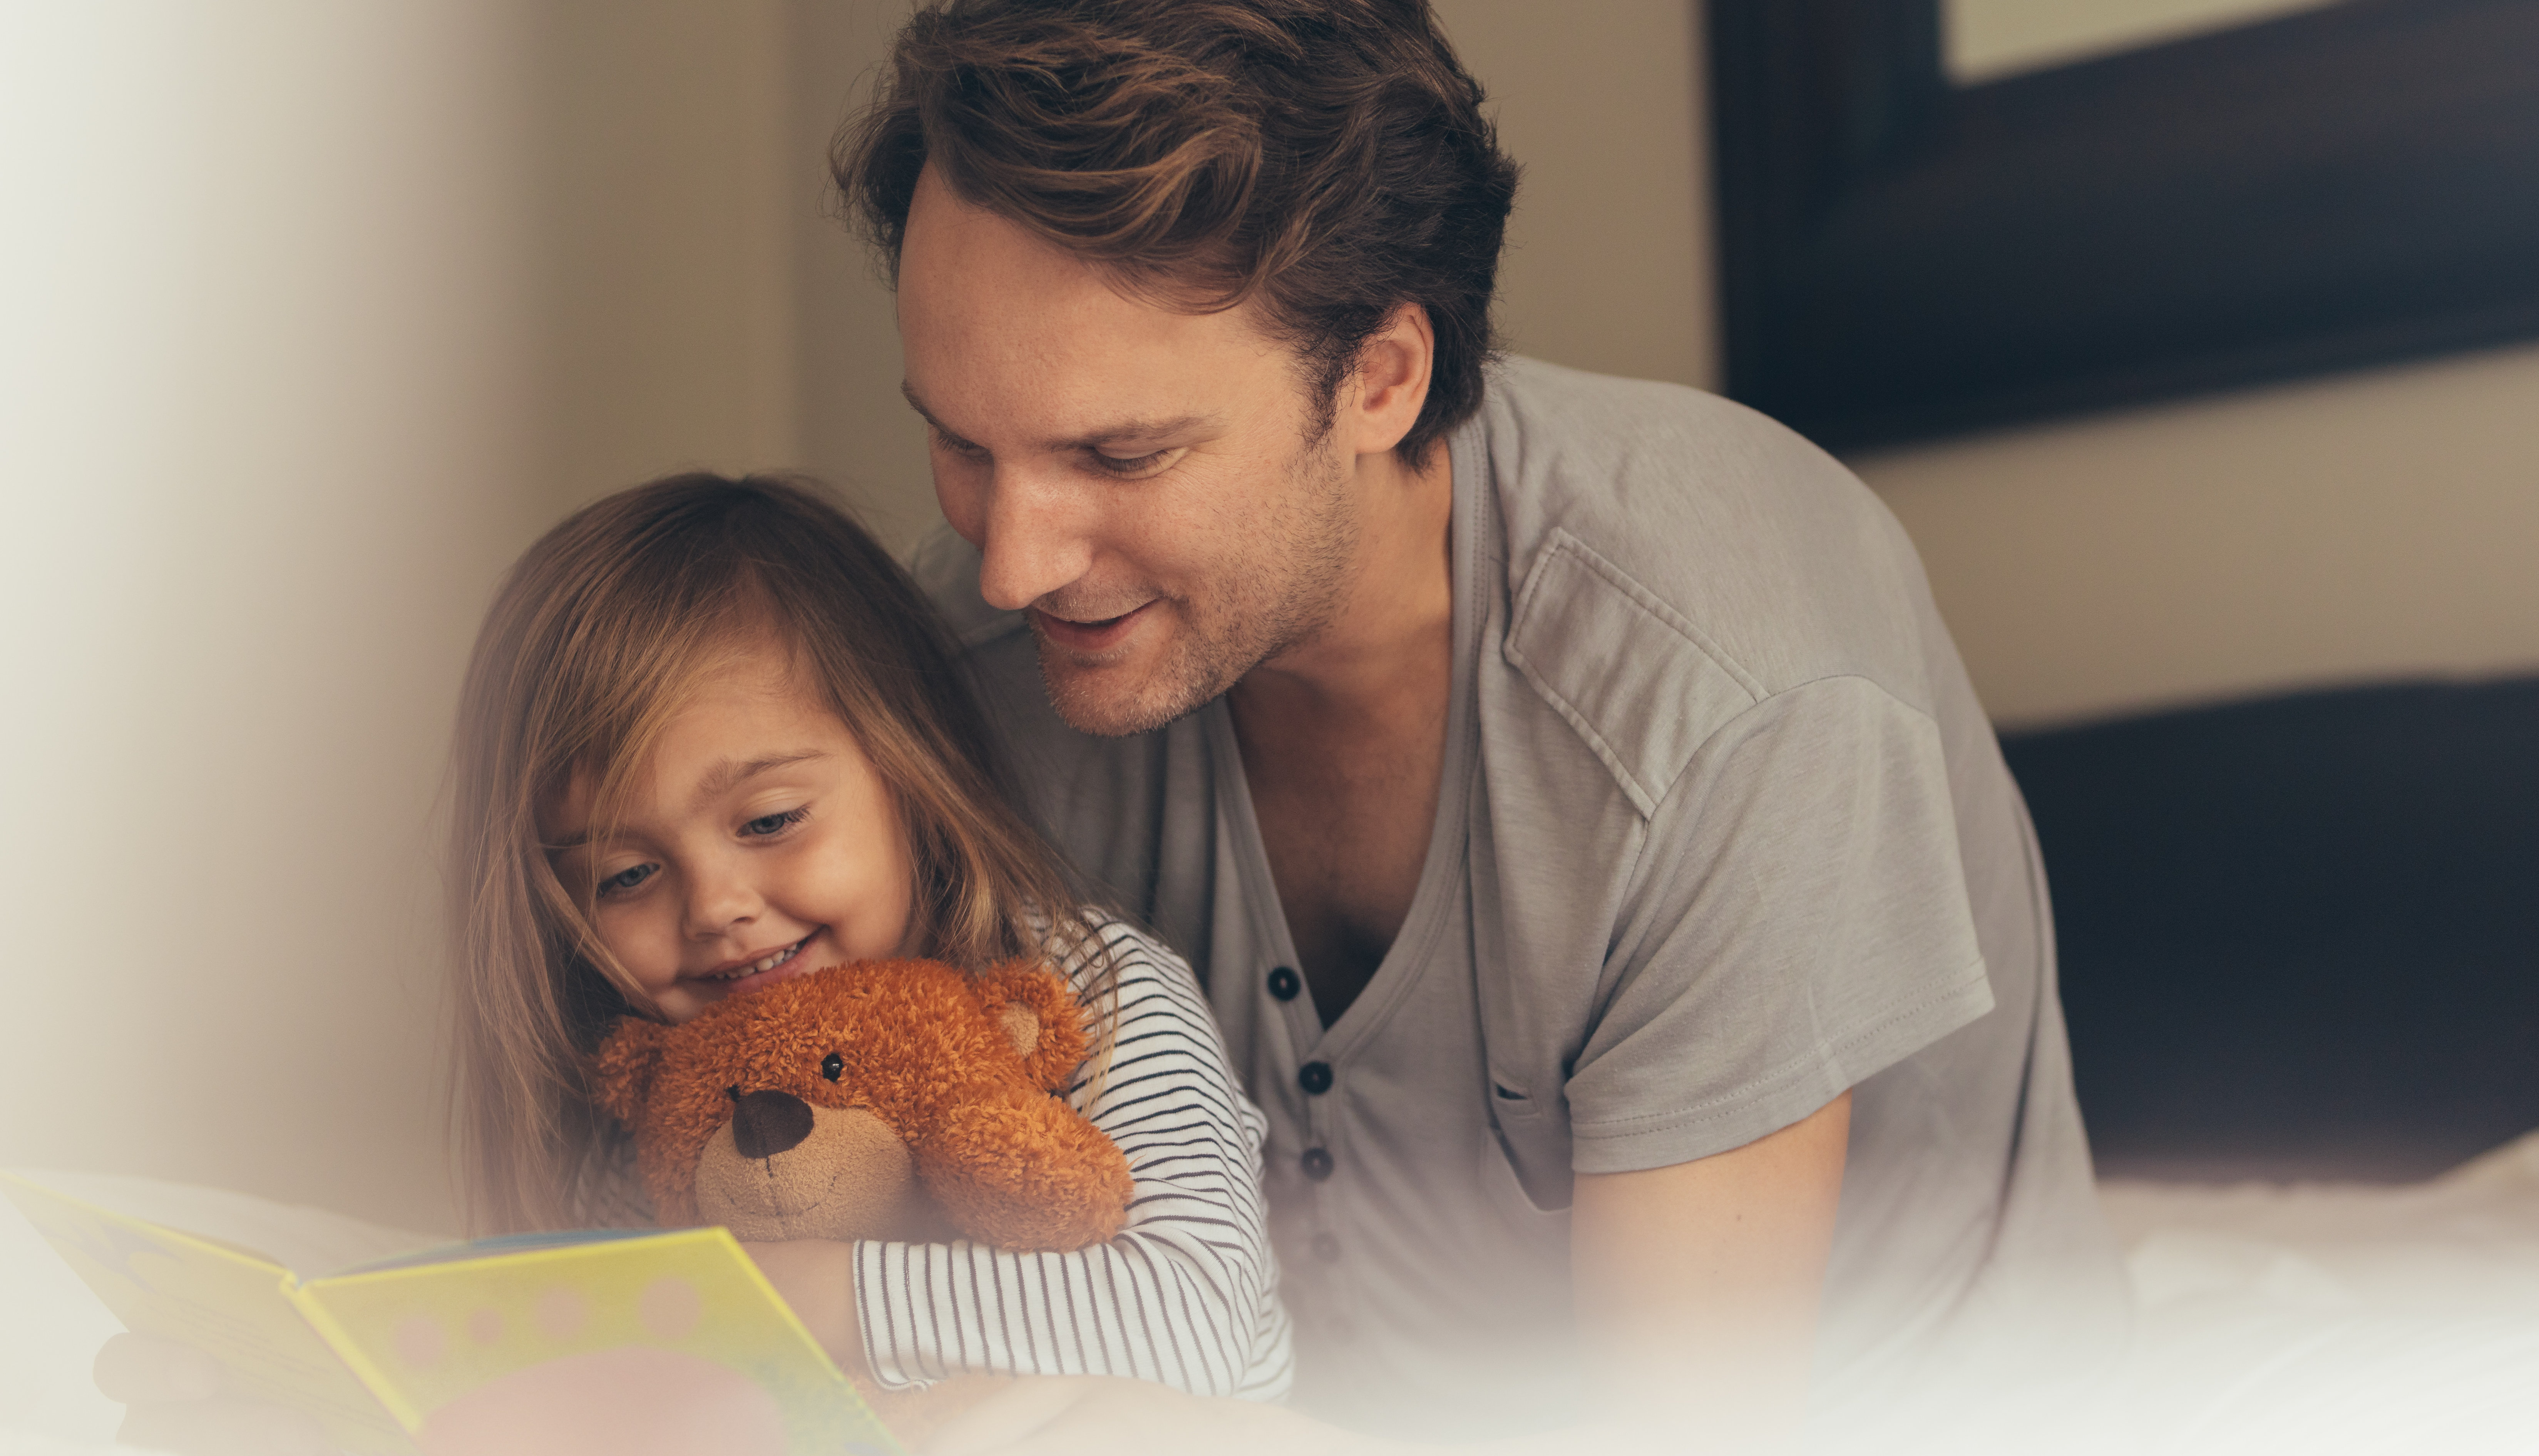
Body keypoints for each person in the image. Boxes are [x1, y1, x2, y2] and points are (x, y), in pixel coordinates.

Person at [834, 0, 2132, 1449]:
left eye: (1118, 454)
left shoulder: (1725, 685)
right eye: (959, 441)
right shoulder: (966, 670)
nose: (1013, 562)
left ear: (1382, 378)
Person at [95, 475, 1294, 1453]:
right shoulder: (658, 1098)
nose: (717, 908)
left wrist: (776, 1298)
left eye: (770, 820)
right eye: (624, 875)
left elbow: (1186, 1330)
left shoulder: (1086, 993)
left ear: (909, 772)